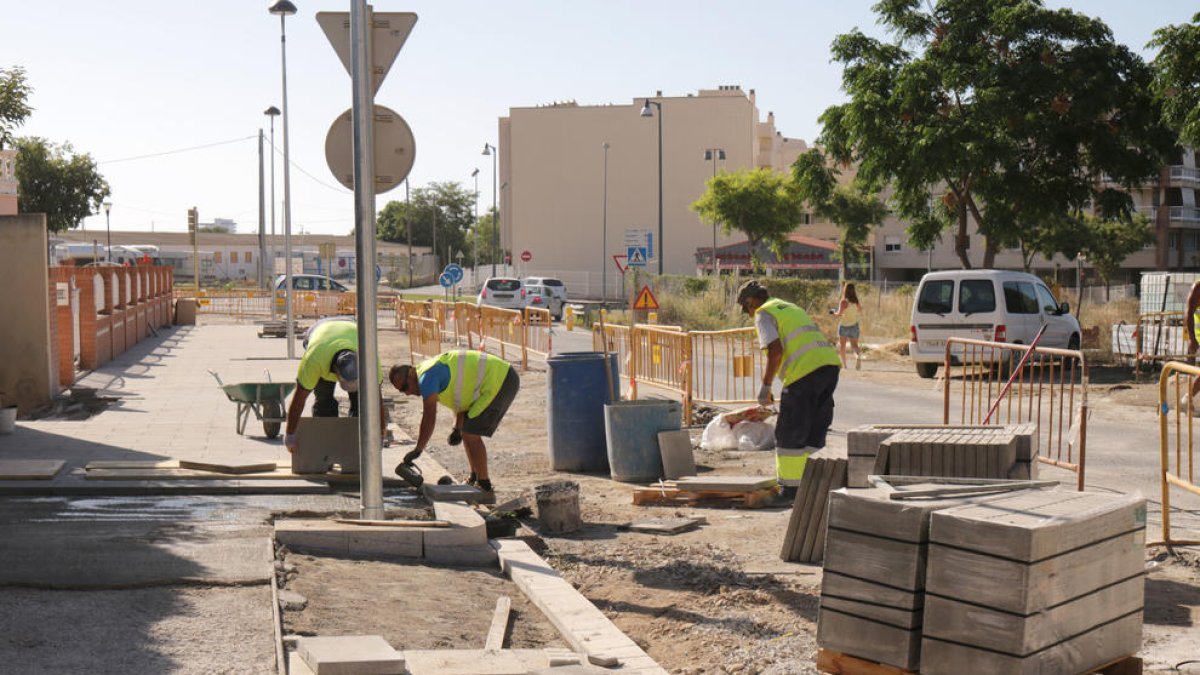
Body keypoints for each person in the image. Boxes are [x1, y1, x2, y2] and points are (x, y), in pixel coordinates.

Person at [737, 280, 842, 490]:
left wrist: (765, 386)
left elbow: (776, 352)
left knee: (789, 432)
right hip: (829, 368)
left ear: (752, 301)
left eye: (747, 308)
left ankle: (790, 488)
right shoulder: (790, 307)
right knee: (814, 430)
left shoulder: (763, 313)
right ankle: (813, 486)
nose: (749, 314)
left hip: (803, 374)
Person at [389, 350, 520, 502]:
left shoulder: (427, 378)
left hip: (501, 381)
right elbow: (462, 397)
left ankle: (485, 488)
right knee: (466, 431)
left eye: (405, 387)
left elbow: (429, 416)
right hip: (496, 379)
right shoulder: (427, 371)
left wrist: (418, 449)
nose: (407, 393)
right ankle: (474, 478)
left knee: (471, 434)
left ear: (411, 374)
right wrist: (457, 427)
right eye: (401, 391)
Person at [283, 318, 385, 453]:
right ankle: (325, 447)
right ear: (336, 372)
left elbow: (377, 400)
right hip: (319, 332)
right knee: (324, 400)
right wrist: (290, 435)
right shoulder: (314, 359)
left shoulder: (369, 358)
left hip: (352, 327)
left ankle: (355, 449)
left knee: (360, 404)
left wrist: (380, 434)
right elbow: (299, 399)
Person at [832, 282, 863, 370]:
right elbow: (860, 310)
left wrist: (833, 312)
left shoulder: (844, 301)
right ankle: (857, 357)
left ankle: (845, 365)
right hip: (854, 325)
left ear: (845, 290)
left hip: (844, 326)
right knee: (854, 346)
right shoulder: (856, 301)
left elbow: (839, 314)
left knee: (842, 346)